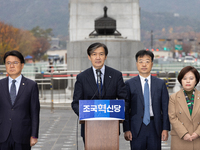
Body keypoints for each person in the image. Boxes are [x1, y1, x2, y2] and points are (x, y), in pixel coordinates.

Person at [71, 42, 127, 142]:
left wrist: (119, 113)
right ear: (89, 57)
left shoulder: (116, 75)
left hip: (111, 127)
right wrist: (85, 115)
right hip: (89, 127)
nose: (98, 57)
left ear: (105, 56)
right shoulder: (82, 77)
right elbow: (75, 103)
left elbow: (125, 100)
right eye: (94, 54)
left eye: (101, 54)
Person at [123, 50, 170, 150]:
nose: (144, 64)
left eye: (147, 61)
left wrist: (165, 128)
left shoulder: (160, 84)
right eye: (140, 61)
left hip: (155, 126)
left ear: (152, 64)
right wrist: (126, 129)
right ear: (136, 64)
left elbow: (166, 108)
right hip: (136, 128)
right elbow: (126, 109)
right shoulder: (129, 84)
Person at [0, 50, 40, 150]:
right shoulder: (0, 85)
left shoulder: (31, 86)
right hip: (2, 135)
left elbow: (34, 112)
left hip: (23, 135)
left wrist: (34, 135)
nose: (11, 66)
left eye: (15, 63)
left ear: (22, 65)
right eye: (8, 63)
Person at [168, 66, 200, 150]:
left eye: (191, 78)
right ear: (181, 80)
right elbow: (172, 117)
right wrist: (184, 134)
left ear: (196, 80)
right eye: (185, 78)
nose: (188, 81)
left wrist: (197, 133)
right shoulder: (173, 97)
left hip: (198, 139)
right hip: (180, 139)